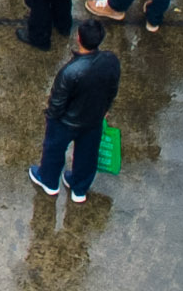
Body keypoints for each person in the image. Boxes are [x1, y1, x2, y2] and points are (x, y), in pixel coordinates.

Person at [32, 16, 121, 200]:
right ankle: (79, 188)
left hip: (66, 122)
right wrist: (105, 108)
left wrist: (51, 118)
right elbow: (112, 88)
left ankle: (49, 181)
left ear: (79, 38)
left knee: (54, 150)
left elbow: (57, 103)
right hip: (93, 119)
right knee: (88, 155)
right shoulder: (111, 61)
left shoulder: (69, 72)